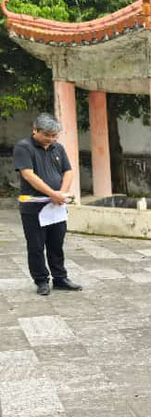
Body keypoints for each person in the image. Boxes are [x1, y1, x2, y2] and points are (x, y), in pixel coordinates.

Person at [13, 113, 82, 296]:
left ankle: (60, 278)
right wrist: (52, 194)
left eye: (54, 135)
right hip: (34, 206)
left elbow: (68, 171)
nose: (51, 139)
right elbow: (28, 174)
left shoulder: (57, 148)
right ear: (35, 130)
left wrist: (60, 194)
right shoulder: (23, 147)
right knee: (36, 246)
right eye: (47, 135)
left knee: (56, 243)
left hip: (56, 205)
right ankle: (41, 280)